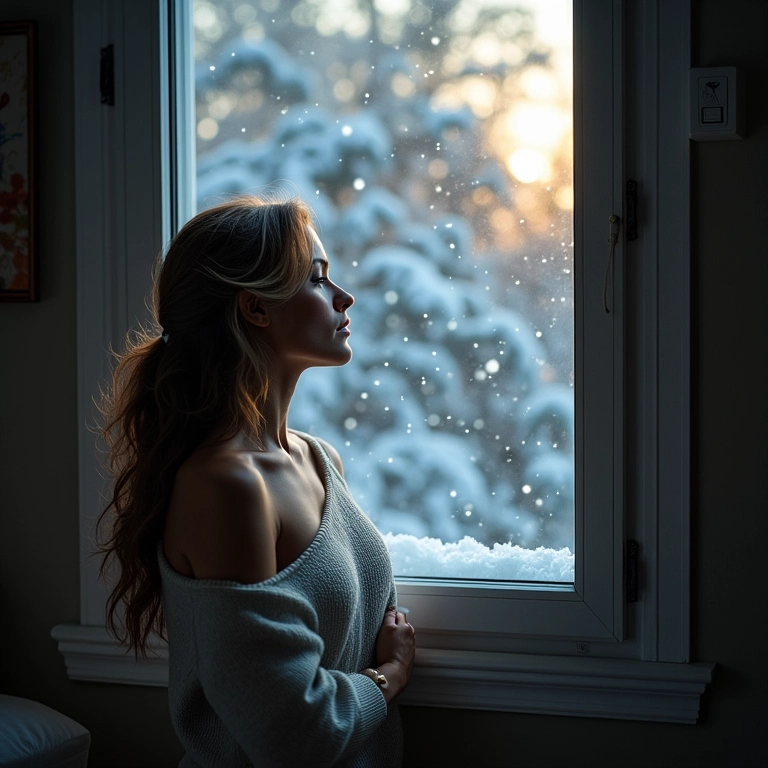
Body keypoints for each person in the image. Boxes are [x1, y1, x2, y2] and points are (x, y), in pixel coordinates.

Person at [97, 195, 416, 767]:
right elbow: (291, 735)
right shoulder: (226, 488)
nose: (344, 297)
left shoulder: (320, 461)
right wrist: (388, 676)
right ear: (256, 309)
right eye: (318, 280)